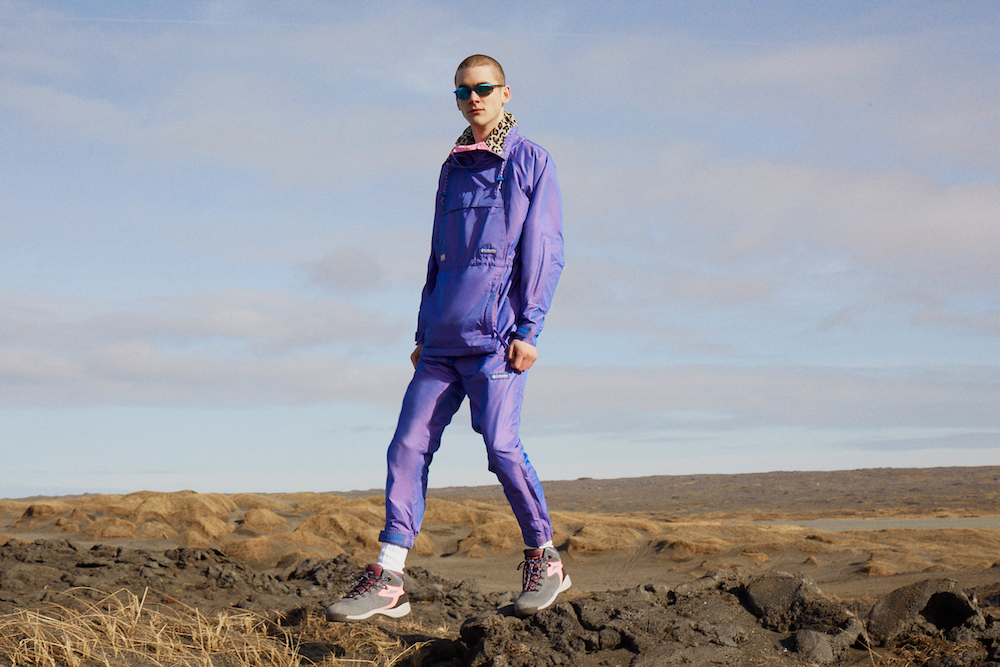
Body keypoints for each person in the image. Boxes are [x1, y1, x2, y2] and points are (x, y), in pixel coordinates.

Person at [326, 54, 568, 623]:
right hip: (440, 341)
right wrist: (422, 329)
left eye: (484, 88)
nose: (473, 98)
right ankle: (389, 577)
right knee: (407, 446)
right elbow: (437, 255)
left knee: (501, 448)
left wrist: (529, 328)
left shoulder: (530, 160)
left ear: (506, 93)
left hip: (496, 339)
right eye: (463, 91)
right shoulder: (451, 166)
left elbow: (545, 248)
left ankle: (546, 558)